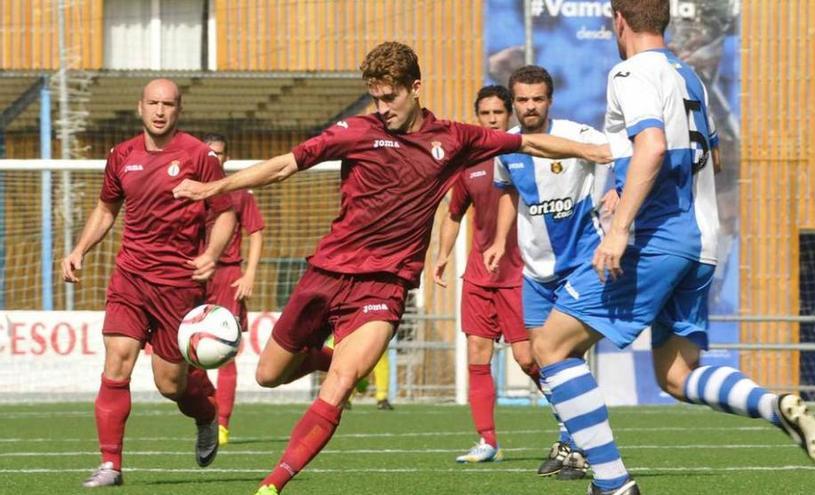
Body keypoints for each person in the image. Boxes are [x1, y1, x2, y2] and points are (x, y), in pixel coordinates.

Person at [172, 41, 611, 495]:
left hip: (384, 286)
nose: (382, 109)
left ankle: (273, 484)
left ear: (415, 88)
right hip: (326, 274)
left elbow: (530, 141)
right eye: (375, 98)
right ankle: (332, 359)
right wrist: (213, 188)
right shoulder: (355, 131)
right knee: (268, 376)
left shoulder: (453, 139)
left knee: (340, 384)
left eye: (390, 97)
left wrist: (593, 151)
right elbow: (286, 165)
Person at [529, 2, 815, 495]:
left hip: (657, 239)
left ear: (619, 21)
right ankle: (773, 405)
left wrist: (620, 226)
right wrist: (628, 184)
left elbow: (651, 146)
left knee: (550, 346)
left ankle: (612, 485)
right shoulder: (688, 75)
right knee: (676, 375)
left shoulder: (630, 71)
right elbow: (711, 158)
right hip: (702, 242)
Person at [61, 79, 236, 488]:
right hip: (131, 277)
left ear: (179, 110)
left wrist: (211, 254)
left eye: (168, 104)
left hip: (178, 286)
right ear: (140, 107)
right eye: (153, 103)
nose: (160, 111)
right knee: (117, 361)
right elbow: (106, 209)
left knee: (169, 385)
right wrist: (79, 249)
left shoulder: (200, 156)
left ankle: (206, 413)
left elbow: (224, 212)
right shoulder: (121, 155)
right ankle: (110, 465)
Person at [482, 66, 614, 480]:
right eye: (522, 100)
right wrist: (500, 242)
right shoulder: (507, 150)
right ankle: (572, 440)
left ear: (550, 101)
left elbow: (617, 154)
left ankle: (578, 445)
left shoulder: (579, 136)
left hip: (578, 265)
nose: (530, 106)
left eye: (537, 99)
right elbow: (508, 195)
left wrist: (618, 190)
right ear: (513, 103)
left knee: (564, 355)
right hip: (536, 270)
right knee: (536, 357)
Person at [435, 84, 556, 468]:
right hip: (477, 276)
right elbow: (454, 214)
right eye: (484, 113)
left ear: (509, 115)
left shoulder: (525, 153)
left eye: (497, 113)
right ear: (478, 117)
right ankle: (486, 441)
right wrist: (441, 256)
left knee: (526, 357)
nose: (491, 119)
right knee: (477, 354)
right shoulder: (468, 163)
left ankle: (573, 421)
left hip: (519, 274)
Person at [202, 133, 266, 446]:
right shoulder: (189, 192)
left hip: (228, 277)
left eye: (219, 154)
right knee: (189, 354)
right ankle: (206, 415)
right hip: (194, 278)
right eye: (209, 154)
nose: (215, 159)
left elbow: (256, 232)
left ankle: (223, 424)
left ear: (226, 158)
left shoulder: (239, 192)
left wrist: (249, 273)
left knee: (226, 354)